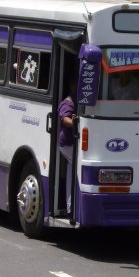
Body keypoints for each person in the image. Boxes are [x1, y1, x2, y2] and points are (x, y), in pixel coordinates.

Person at [58, 80, 76, 214]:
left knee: (72, 170)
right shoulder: (68, 102)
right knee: (75, 168)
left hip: (72, 144)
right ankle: (71, 207)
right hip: (67, 144)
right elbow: (65, 118)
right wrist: (75, 122)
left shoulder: (79, 102)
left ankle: (71, 207)